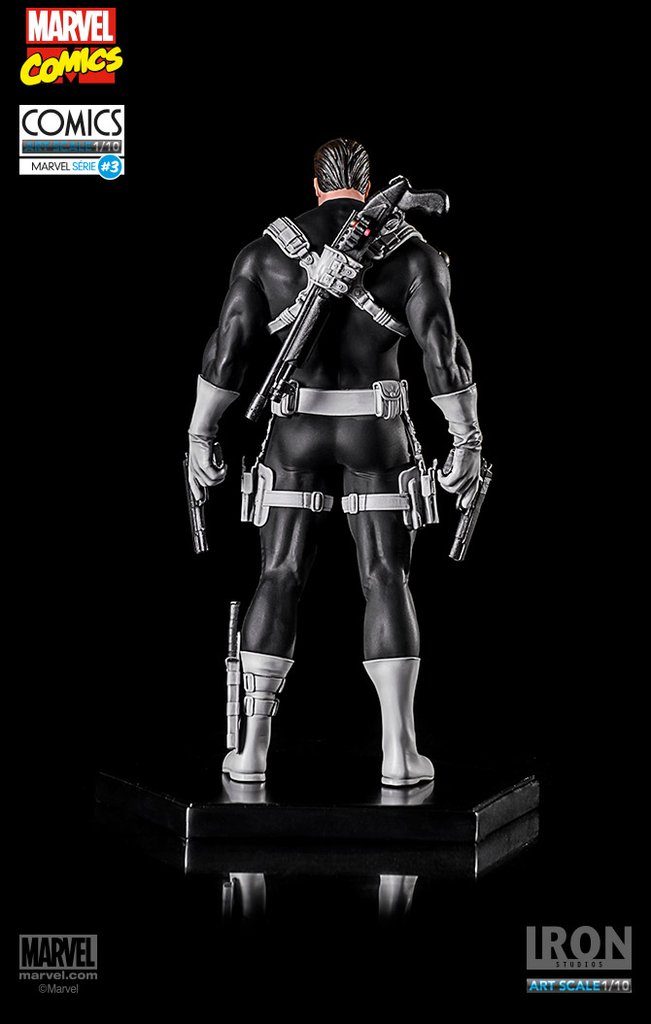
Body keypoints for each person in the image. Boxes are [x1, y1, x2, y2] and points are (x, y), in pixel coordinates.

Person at [187, 138, 483, 786]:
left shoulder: (265, 253)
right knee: (386, 577)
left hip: (294, 432)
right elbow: (442, 350)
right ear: (367, 185)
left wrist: (199, 434)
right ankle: (400, 755)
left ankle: (252, 754)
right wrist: (466, 437)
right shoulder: (414, 254)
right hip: (377, 431)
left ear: (316, 185)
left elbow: (227, 349)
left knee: (279, 573)